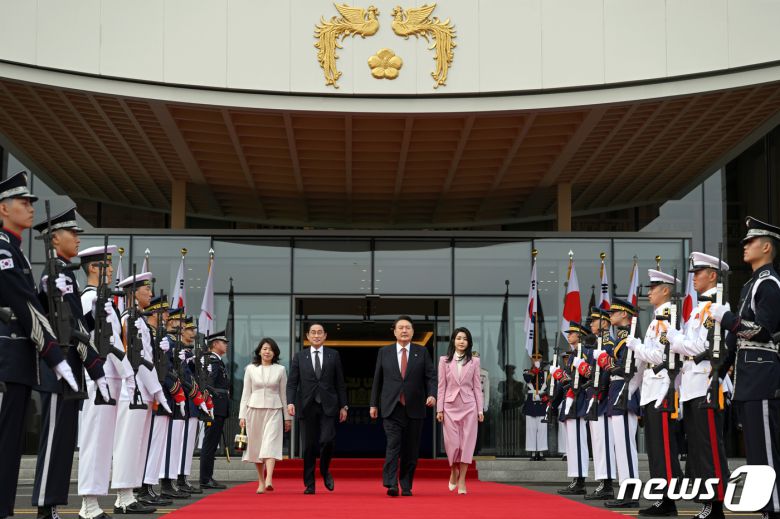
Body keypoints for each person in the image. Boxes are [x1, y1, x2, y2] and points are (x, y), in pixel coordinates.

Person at [0, 173, 75, 519]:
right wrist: (56, 356)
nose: (30, 208)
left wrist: (47, 293)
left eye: (31, 202)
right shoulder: (2, 249)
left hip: (17, 364)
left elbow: (30, 302)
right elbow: (22, 305)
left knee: (10, 447)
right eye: (23, 203)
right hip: (6, 362)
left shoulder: (17, 252)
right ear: (3, 209)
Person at [31, 208, 108, 519]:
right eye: (71, 234)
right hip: (59, 366)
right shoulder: (55, 273)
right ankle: (44, 506)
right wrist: (93, 361)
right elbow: (62, 323)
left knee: (63, 442)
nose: (77, 239)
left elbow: (78, 321)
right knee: (53, 442)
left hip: (70, 369)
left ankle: (51, 504)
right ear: (54, 238)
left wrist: (95, 315)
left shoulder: (66, 274)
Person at [714, 217, 780, 519]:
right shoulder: (751, 284)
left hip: (762, 377)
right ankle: (766, 506)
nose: (745, 246)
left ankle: (774, 508)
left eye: (750, 242)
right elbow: (737, 338)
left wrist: (728, 319)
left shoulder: (769, 283)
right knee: (755, 451)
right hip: (747, 378)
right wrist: (721, 367)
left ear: (766, 247)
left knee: (765, 450)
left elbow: (764, 330)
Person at [668, 252, 731, 519]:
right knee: (696, 449)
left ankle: (716, 504)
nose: (693, 278)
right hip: (693, 386)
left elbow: (703, 347)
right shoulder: (697, 310)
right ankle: (707, 501)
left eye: (699, 273)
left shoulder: (718, 308)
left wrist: (674, 338)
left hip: (708, 384)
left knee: (709, 447)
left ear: (713, 276)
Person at [77, 244, 137, 519]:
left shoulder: (102, 300)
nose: (111, 270)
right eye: (106, 265)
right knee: (95, 442)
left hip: (110, 377)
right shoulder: (90, 299)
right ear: (93, 268)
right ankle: (88, 505)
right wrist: (128, 372)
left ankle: (94, 502)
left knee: (104, 443)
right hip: (97, 375)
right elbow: (104, 342)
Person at [112, 271, 171, 515]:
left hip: (142, 390)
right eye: (146, 289)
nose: (150, 293)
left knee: (137, 445)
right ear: (133, 293)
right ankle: (122, 498)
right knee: (128, 444)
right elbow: (139, 359)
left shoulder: (139, 320)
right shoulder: (130, 319)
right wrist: (158, 391)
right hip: (133, 389)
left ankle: (130, 494)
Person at [626, 270, 684, 516]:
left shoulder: (667, 317)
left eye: (654, 287)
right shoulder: (655, 319)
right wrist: (632, 389)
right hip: (651, 388)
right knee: (655, 448)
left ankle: (668, 500)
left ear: (666, 290)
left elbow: (661, 356)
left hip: (662, 388)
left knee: (663, 448)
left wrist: (637, 346)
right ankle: (663, 496)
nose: (648, 292)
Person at [370, 315, 436, 497]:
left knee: (411, 449)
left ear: (413, 331)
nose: (404, 330)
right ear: (394, 331)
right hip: (392, 407)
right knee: (393, 445)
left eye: (408, 327)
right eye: (401, 327)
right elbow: (378, 379)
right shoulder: (384, 352)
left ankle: (406, 484)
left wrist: (432, 394)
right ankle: (391, 483)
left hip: (415, 408)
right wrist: (373, 404)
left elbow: (430, 377)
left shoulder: (421, 352)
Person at [286, 323, 348, 494]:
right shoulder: (300, 356)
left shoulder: (333, 355)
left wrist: (344, 406)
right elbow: (292, 383)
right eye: (313, 333)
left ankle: (324, 470)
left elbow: (340, 383)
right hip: (306, 406)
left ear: (325, 336)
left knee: (327, 440)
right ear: (307, 336)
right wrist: (290, 402)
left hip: (329, 405)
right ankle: (310, 483)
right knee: (308, 446)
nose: (316, 335)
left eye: (320, 332)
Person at [602, 298, 641, 509]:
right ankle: (626, 490)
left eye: (614, 312)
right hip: (618, 393)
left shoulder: (629, 337)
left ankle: (631, 493)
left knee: (626, 446)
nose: (611, 315)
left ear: (625, 314)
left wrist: (609, 365)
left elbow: (627, 367)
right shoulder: (621, 338)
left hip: (626, 392)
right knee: (621, 447)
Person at [239, 338, 291, 494]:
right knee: (256, 447)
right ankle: (261, 481)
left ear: (274, 352)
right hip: (253, 410)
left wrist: (287, 417)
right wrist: (242, 416)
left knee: (270, 444)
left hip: (274, 410)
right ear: (259, 351)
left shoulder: (280, 370)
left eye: (270, 349)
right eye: (264, 349)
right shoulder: (250, 369)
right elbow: (245, 394)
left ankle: (269, 478)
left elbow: (284, 395)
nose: (267, 351)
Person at [436, 327, 483, 495]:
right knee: (452, 444)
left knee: (466, 445)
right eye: (458, 338)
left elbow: (477, 387)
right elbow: (441, 386)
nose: (461, 341)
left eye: (465, 339)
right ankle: (453, 470)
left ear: (468, 342)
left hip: (469, 406)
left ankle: (462, 478)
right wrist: (439, 409)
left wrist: (480, 409)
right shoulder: (444, 361)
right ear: (453, 341)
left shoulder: (475, 361)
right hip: (449, 407)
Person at [553, 322, 591, 495]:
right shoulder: (574, 354)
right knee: (572, 443)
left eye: (572, 333)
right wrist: (559, 375)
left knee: (578, 442)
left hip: (579, 400)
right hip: (570, 401)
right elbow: (569, 379)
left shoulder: (584, 353)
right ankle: (575, 478)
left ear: (580, 335)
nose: (569, 336)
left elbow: (588, 375)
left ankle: (580, 479)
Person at [584, 307, 617, 501]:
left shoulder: (609, 343)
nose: (590, 324)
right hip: (594, 396)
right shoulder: (598, 344)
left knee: (603, 442)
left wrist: (599, 393)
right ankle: (602, 482)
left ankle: (607, 483)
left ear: (604, 323)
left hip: (602, 398)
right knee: (598, 442)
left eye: (594, 321)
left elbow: (606, 372)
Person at [200, 330, 232, 490]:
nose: (225, 345)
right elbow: (208, 384)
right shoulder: (212, 361)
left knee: (212, 443)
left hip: (219, 407)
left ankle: (208, 477)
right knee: (210, 443)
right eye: (223, 342)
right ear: (214, 344)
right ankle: (205, 478)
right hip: (214, 407)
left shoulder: (217, 361)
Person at [522, 352, 547, 461]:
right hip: (531, 403)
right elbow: (527, 379)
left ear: (542, 359)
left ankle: (540, 452)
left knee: (542, 429)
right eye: (534, 357)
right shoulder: (527, 372)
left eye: (539, 357)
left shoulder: (546, 373)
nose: (537, 359)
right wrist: (534, 371)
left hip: (542, 401)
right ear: (531, 359)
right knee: (531, 429)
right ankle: (532, 452)